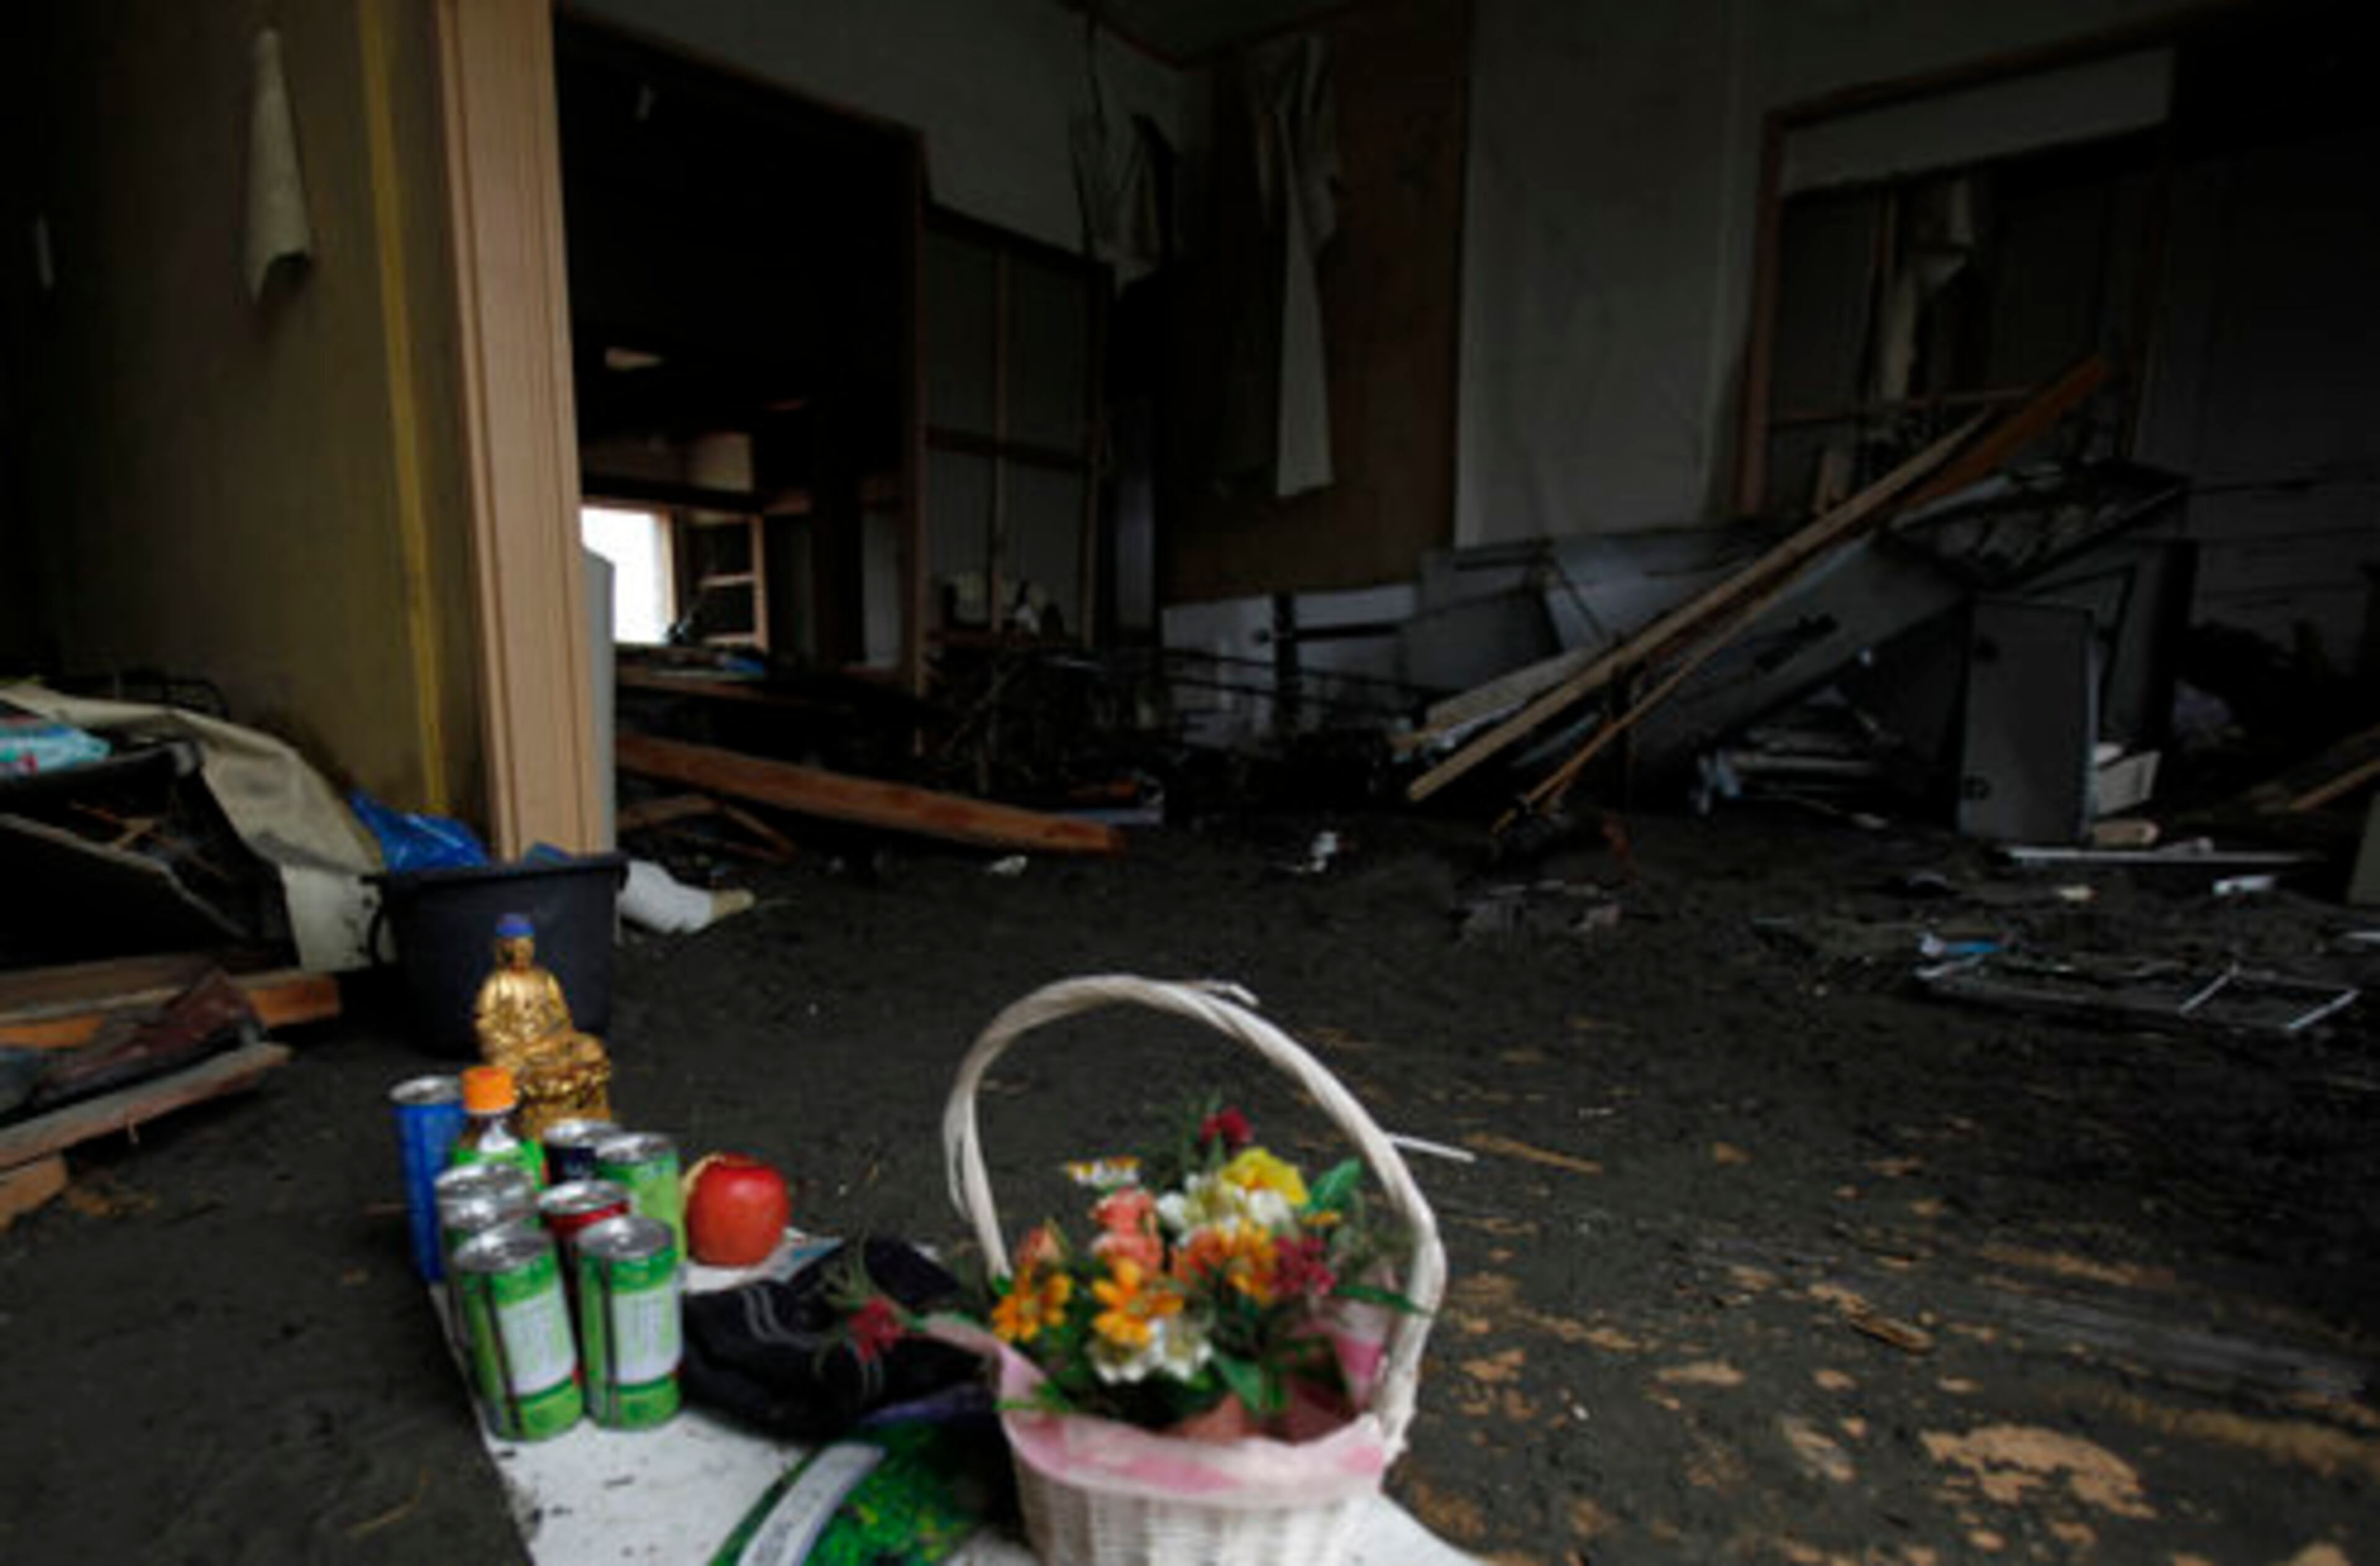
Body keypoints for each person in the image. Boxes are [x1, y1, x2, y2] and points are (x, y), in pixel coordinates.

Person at [473, 913, 613, 1137]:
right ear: (503, 950)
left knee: (590, 1048)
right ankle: (528, 1121)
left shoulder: (544, 978)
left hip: (548, 1043)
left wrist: (560, 1037)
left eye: (527, 947)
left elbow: (562, 1018)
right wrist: (514, 1045)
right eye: (517, 948)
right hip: (518, 1050)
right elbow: (485, 1025)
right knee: (503, 1065)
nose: (523, 953)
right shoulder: (497, 984)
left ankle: (589, 1108)